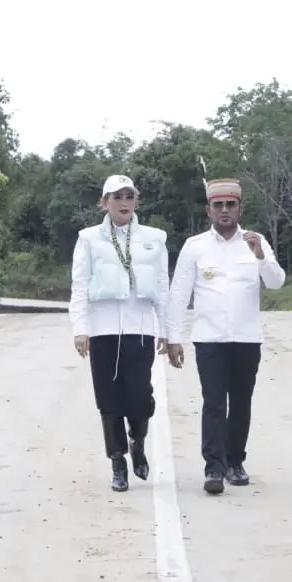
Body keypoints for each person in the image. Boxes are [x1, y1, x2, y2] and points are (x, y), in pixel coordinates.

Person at [164, 177, 286, 495]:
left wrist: (260, 254)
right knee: (214, 403)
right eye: (218, 205)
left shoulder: (255, 241)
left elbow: (275, 282)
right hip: (210, 339)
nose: (224, 211)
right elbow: (179, 294)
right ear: (209, 210)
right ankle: (214, 468)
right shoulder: (195, 247)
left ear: (240, 208)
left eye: (230, 204)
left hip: (246, 338)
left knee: (241, 402)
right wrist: (173, 337)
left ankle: (235, 462)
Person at [69, 174, 170, 492]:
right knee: (109, 400)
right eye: (117, 197)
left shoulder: (155, 238)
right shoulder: (88, 239)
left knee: (140, 397)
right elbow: (80, 285)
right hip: (102, 330)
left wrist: (167, 330)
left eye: (129, 196)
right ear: (104, 202)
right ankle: (117, 462)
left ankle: (137, 439)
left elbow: (163, 287)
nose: (124, 202)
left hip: (139, 329)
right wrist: (80, 329)